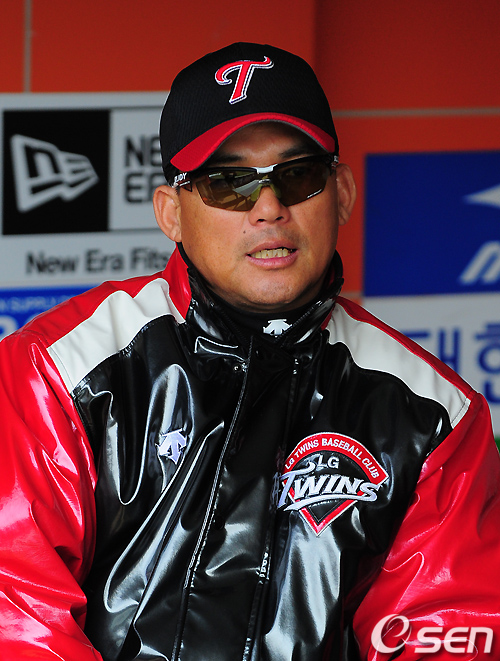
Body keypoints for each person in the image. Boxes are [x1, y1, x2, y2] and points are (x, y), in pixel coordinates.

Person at [0, 42, 499, 661]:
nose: (269, 209)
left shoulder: (433, 416)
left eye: (298, 175)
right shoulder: (57, 369)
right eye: (227, 183)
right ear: (171, 213)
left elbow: (445, 634)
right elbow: (18, 613)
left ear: (342, 192)